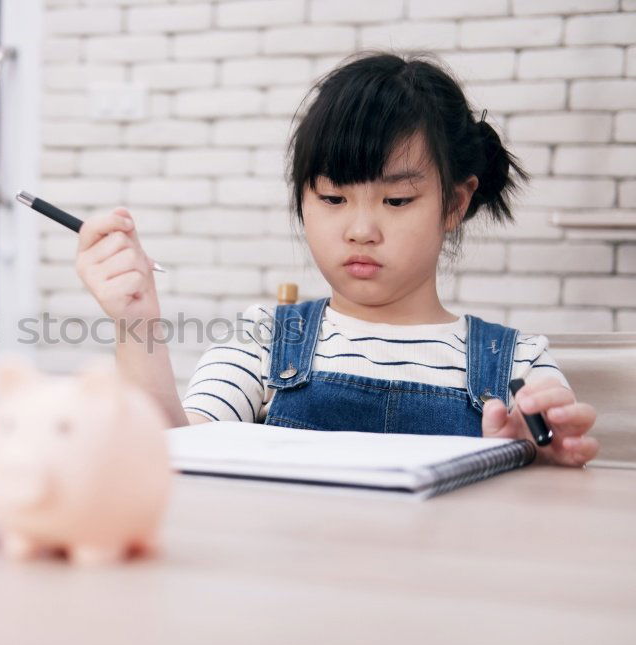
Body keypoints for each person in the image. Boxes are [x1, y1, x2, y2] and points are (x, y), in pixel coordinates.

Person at [74, 52, 598, 467]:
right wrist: (135, 321)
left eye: (397, 201)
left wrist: (534, 457)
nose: (361, 230)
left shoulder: (519, 367)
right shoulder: (263, 341)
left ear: (455, 203)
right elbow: (169, 446)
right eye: (331, 198)